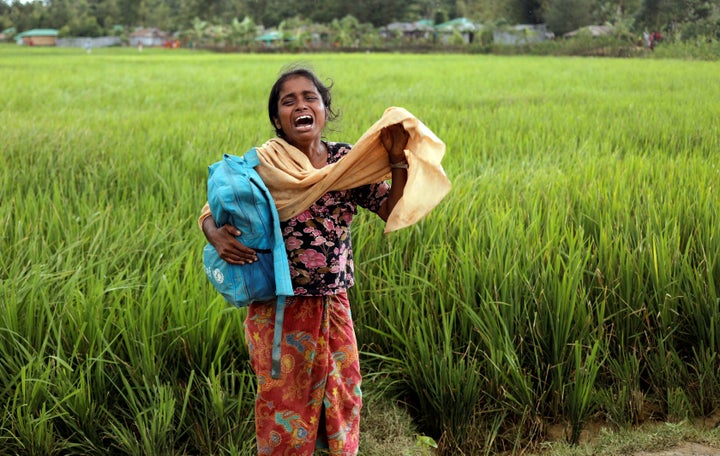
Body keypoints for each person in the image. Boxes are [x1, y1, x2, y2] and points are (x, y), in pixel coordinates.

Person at [199, 66, 410, 455]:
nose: (300, 105)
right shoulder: (265, 164)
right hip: (278, 307)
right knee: (283, 402)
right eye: (288, 101)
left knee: (342, 394)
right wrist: (213, 232)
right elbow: (216, 206)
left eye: (310, 97)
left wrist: (396, 159)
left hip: (333, 304)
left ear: (324, 109)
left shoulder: (346, 162)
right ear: (277, 119)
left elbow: (389, 209)